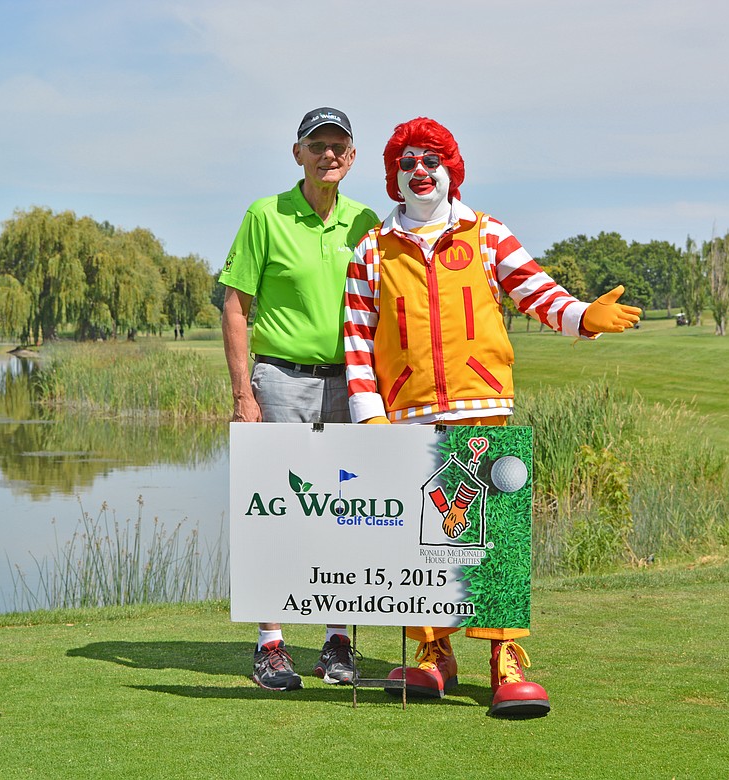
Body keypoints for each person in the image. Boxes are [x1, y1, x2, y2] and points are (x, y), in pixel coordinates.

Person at [343, 117, 641, 717]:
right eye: (408, 163)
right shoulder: (372, 250)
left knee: (495, 538)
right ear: (394, 176)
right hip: (408, 417)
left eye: (432, 161)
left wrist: (583, 317)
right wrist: (370, 417)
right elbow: (357, 338)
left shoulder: (486, 233)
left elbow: (535, 291)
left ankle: (505, 659)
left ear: (451, 170)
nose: (420, 172)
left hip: (485, 406)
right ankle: (433, 653)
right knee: (425, 542)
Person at [220, 107, 380, 691]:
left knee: (348, 510)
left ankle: (337, 641)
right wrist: (244, 393)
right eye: (318, 145)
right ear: (298, 154)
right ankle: (271, 645)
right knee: (277, 509)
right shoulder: (265, 215)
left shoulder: (367, 220)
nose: (328, 154)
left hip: (353, 381)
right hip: (281, 380)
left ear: (352, 157)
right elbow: (234, 305)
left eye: (339, 145)